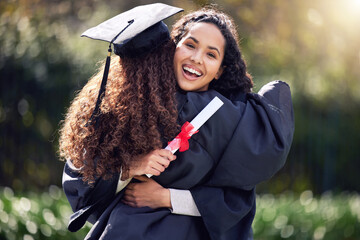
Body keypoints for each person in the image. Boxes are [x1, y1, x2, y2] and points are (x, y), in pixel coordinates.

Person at [60, 4, 294, 240]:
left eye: (211, 54)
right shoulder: (133, 106)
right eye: (190, 45)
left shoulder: (228, 118)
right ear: (173, 48)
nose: (196, 58)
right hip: (124, 229)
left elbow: (236, 203)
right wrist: (131, 167)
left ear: (220, 70)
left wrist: (168, 198)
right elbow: (82, 180)